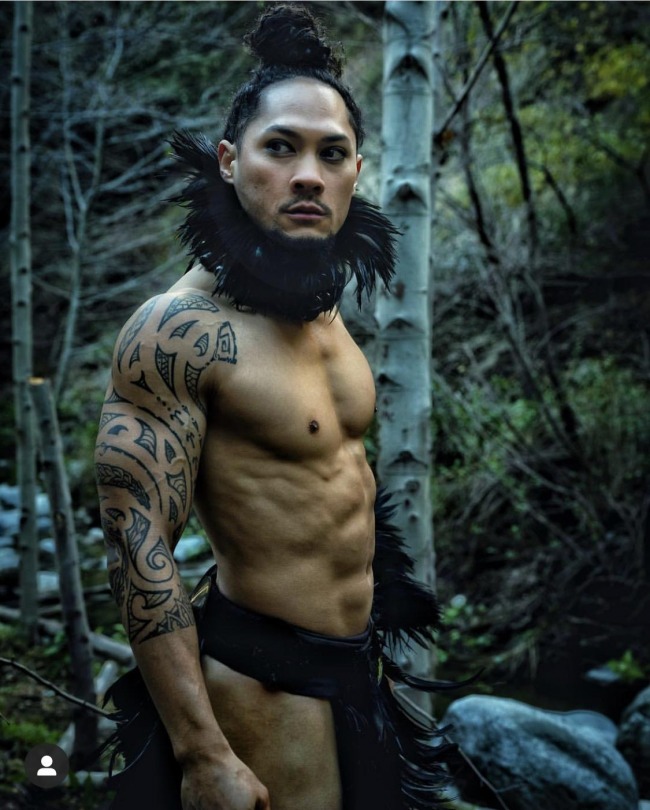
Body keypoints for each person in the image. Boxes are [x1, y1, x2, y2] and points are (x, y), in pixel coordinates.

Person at [96, 6, 453, 810]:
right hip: (263, 683)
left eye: (332, 153)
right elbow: (138, 547)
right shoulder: (176, 333)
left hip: (361, 670)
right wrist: (201, 752)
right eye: (281, 148)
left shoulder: (321, 308)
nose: (308, 176)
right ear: (229, 161)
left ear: (357, 169)